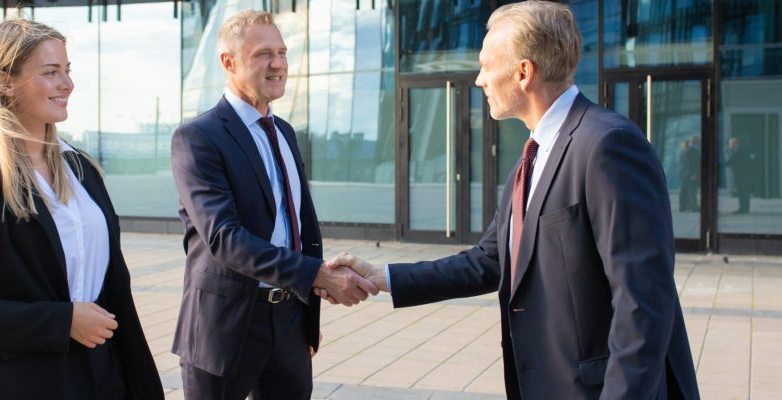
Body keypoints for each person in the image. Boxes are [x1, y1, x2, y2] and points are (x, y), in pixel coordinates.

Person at [320, 2, 699, 399]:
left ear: (523, 72)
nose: (479, 79)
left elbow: (643, 302)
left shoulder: (607, 145)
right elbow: (489, 261)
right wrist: (382, 277)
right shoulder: (531, 156)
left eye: (486, 65)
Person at [0, 18, 163, 399]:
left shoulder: (82, 170)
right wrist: (63, 321)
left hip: (106, 373)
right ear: (6, 81)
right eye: (51, 72)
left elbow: (113, 286)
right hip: (29, 382)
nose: (67, 84)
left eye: (67, 71)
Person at [169, 10, 377, 400]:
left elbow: (299, 224)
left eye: (281, 51)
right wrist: (316, 274)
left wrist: (305, 318)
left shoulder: (284, 132)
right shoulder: (198, 137)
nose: (278, 63)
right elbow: (225, 238)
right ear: (228, 62)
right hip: (224, 328)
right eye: (263, 53)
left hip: (287, 320)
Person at [725, 137, 754, 214]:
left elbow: (730, 161)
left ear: (735, 143)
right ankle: (745, 208)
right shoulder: (741, 149)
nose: (729, 145)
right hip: (744, 174)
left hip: (741, 175)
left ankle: (742, 208)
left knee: (741, 192)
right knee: (745, 192)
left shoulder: (738, 151)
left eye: (730, 143)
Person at [679, 136, 700, 212]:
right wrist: (693, 173)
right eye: (699, 140)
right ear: (695, 141)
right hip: (690, 173)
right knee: (692, 190)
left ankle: (683, 206)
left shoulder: (686, 150)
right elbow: (691, 163)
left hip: (685, 173)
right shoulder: (692, 150)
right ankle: (693, 207)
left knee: (685, 190)